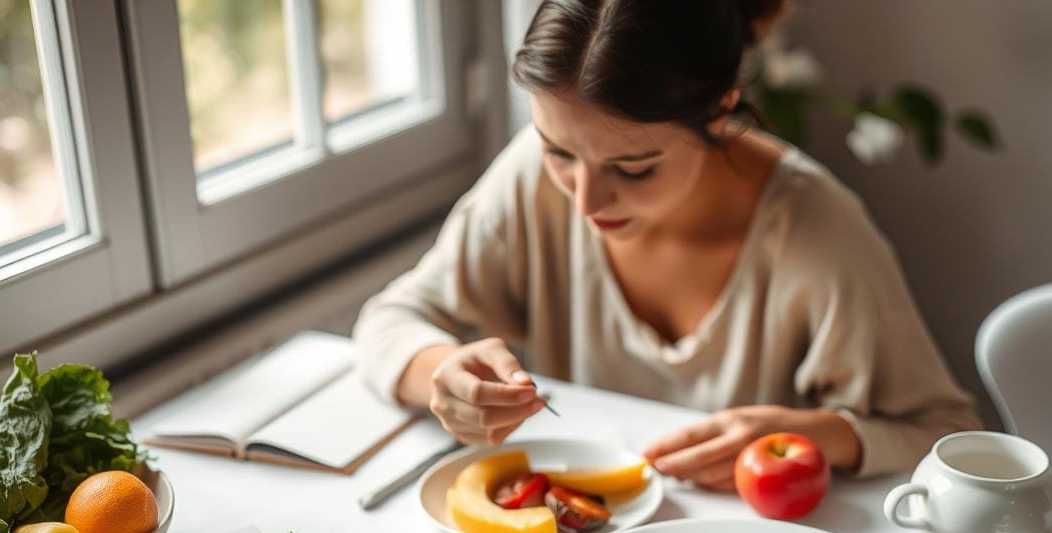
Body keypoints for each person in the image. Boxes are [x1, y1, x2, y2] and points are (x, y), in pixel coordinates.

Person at [354, 0, 980, 488]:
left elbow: (948, 436)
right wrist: (440, 373)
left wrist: (824, 434)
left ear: (720, 110)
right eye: (558, 152)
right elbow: (390, 319)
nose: (586, 201)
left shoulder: (816, 231)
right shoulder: (529, 178)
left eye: (634, 169)